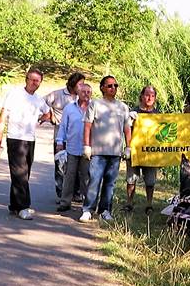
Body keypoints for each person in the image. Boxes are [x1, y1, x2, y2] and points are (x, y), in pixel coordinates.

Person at [0, 68, 51, 220]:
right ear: (26, 79)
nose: (34, 83)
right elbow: (3, 115)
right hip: (15, 138)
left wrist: (41, 119)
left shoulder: (38, 99)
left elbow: (48, 113)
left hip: (30, 139)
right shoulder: (15, 94)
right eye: (31, 79)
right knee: (19, 172)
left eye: (37, 81)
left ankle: (14, 205)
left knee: (25, 173)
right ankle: (24, 206)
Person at [79, 76, 131, 223]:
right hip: (98, 152)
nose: (113, 88)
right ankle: (88, 209)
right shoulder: (95, 104)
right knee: (94, 181)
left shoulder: (122, 107)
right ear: (102, 87)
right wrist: (86, 146)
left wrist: (128, 147)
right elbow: (87, 126)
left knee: (110, 183)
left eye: (115, 85)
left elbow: (127, 129)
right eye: (109, 86)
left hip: (115, 153)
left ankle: (105, 210)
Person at [44, 72, 85, 203]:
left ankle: (76, 193)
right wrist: (50, 115)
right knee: (61, 166)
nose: (82, 86)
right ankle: (62, 195)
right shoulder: (57, 94)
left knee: (78, 167)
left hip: (77, 139)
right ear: (73, 84)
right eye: (80, 84)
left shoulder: (83, 97)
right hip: (61, 137)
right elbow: (41, 103)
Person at [56, 83, 92, 212]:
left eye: (89, 92)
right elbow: (63, 126)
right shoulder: (69, 108)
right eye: (84, 92)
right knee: (69, 175)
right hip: (72, 147)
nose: (86, 94)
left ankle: (87, 205)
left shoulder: (94, 108)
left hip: (88, 149)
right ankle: (65, 202)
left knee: (86, 177)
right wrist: (60, 141)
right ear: (78, 93)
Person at [124, 85, 159, 215]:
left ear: (155, 98)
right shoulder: (134, 112)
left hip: (150, 152)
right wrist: (129, 120)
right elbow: (126, 130)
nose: (149, 97)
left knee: (150, 180)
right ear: (142, 96)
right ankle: (129, 203)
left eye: (152, 95)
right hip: (135, 150)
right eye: (147, 94)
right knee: (131, 179)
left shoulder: (158, 115)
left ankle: (149, 204)